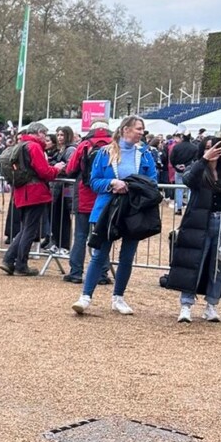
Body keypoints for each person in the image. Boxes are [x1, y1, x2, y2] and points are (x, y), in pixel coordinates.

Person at [72, 115, 159, 315]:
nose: (141, 132)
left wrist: (132, 185)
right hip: (107, 209)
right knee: (99, 254)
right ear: (125, 129)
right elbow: (93, 182)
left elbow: (152, 181)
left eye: (142, 129)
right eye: (138, 128)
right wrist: (112, 184)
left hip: (133, 210)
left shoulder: (145, 154)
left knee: (127, 256)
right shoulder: (104, 153)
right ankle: (85, 296)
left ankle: (118, 297)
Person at [166, 138, 221, 322]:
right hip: (198, 222)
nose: (212, 150)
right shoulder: (197, 169)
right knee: (193, 263)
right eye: (207, 147)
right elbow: (189, 180)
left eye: (215, 148)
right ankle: (186, 305)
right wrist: (204, 160)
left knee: (219, 266)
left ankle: (211, 305)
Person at [0, 123, 65, 276]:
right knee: (30, 229)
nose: (46, 137)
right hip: (35, 192)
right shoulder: (34, 147)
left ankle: (9, 260)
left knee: (26, 228)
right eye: (45, 133)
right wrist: (57, 169)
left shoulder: (21, 145)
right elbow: (44, 171)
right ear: (39, 133)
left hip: (22, 191)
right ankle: (21, 264)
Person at [63, 123, 112, 285]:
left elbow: (70, 169)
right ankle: (102, 274)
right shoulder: (114, 145)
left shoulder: (84, 145)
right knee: (102, 236)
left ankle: (76, 272)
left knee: (80, 236)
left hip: (84, 195)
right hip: (106, 195)